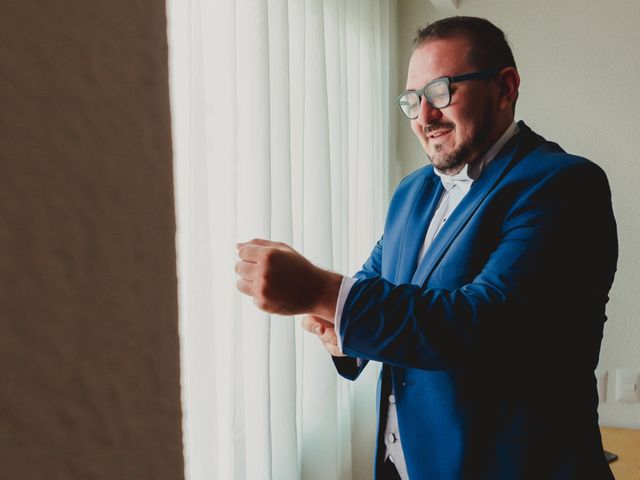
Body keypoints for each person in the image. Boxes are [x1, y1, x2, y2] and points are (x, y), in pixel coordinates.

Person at [235, 16, 618, 480]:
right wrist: (340, 332)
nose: (423, 116)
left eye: (440, 92)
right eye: (412, 101)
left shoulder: (564, 186)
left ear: (505, 87)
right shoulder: (411, 192)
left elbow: (479, 324)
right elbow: (376, 287)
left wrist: (322, 291)